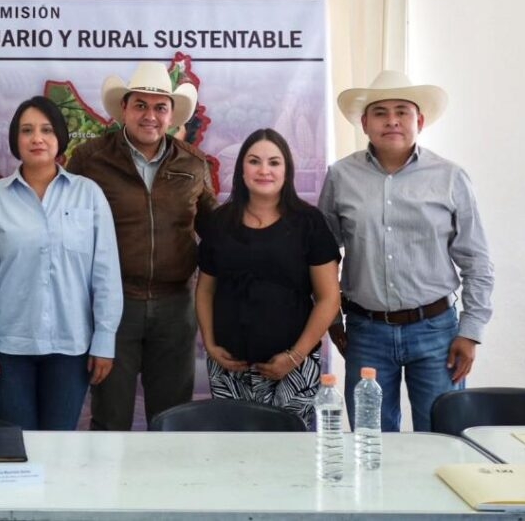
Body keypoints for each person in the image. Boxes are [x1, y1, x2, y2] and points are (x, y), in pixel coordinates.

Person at [318, 70, 495, 432]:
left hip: (437, 332)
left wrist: (470, 331)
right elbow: (322, 255)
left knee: (443, 438)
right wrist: (332, 319)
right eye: (380, 113)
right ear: (365, 124)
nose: (392, 121)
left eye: (402, 111)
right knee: (370, 440)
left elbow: (476, 261)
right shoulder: (340, 176)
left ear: (420, 121)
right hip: (366, 332)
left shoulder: (450, 177)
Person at [66, 61, 217, 430]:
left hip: (176, 308)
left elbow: (217, 233)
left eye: (160, 107)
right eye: (140, 105)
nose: (150, 116)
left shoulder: (194, 164)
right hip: (112, 307)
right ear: (124, 109)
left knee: (171, 422)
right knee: (110, 419)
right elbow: (65, 228)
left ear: (171, 115)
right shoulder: (90, 159)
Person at [0, 96, 123, 430]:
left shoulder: (88, 194)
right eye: (27, 130)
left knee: (58, 448)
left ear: (60, 138)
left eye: (46, 130)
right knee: (16, 446)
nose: (37, 138)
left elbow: (106, 274)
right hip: (7, 349)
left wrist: (105, 339)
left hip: (71, 347)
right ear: (15, 140)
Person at [195, 128, 340, 428]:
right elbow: (206, 290)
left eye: (274, 162)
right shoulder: (219, 222)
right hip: (229, 368)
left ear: (287, 170)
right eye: (254, 161)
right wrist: (209, 343)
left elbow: (328, 298)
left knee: (288, 452)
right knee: (235, 450)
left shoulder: (309, 223)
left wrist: (295, 356)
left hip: (293, 368)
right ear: (241, 169)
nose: (264, 170)